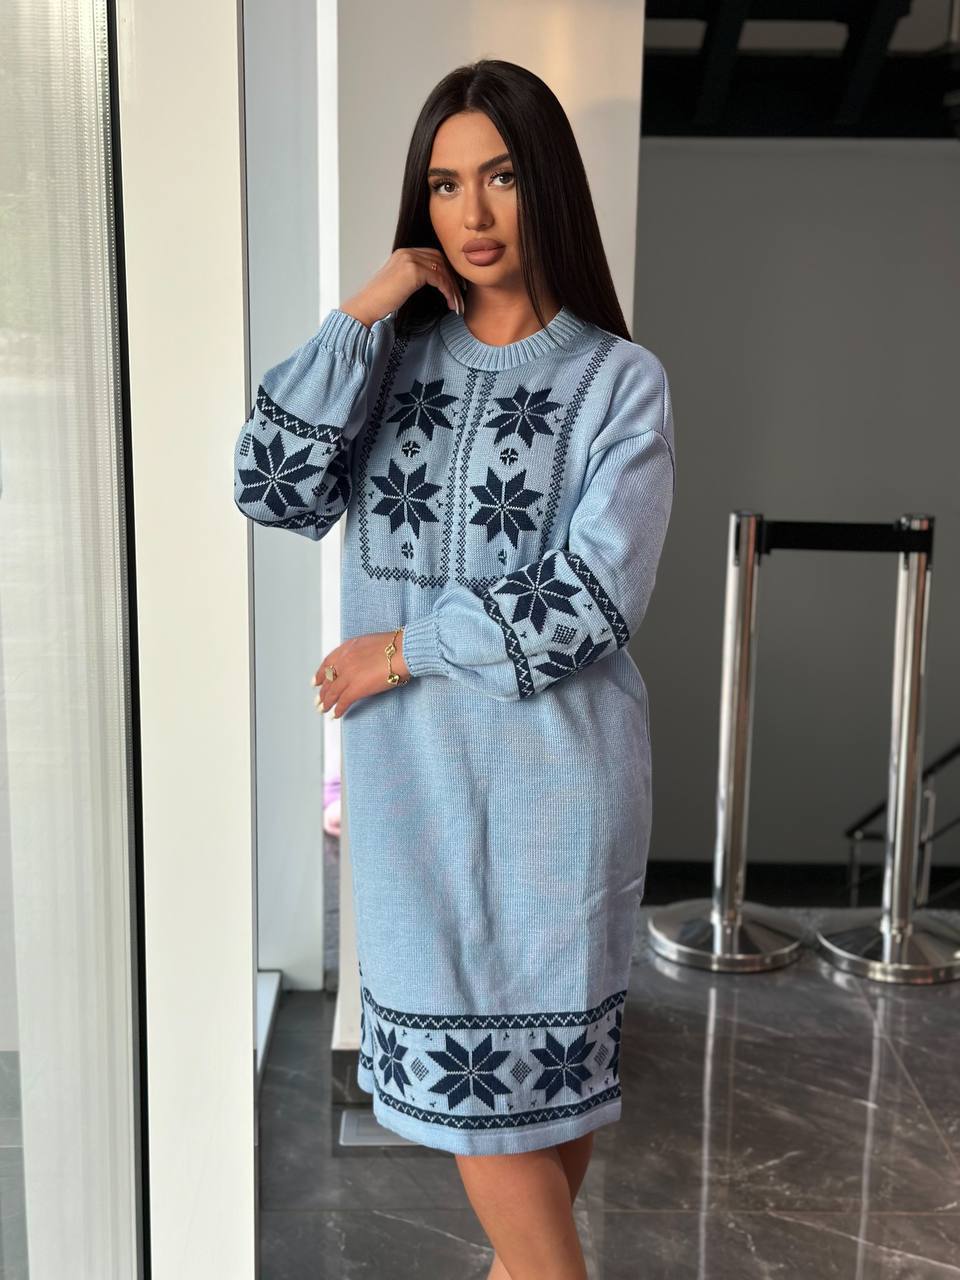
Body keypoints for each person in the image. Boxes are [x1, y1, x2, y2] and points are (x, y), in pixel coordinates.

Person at [233, 57, 676, 1280]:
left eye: (501, 177)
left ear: (549, 188)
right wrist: (361, 312)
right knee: (506, 1149)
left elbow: (595, 597)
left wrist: (403, 647)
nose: (471, 213)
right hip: (413, 803)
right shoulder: (388, 365)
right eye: (444, 184)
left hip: (561, 798)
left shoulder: (619, 382)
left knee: (542, 1130)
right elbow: (270, 485)